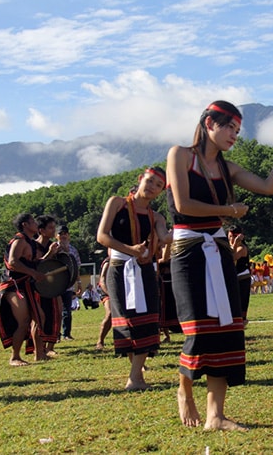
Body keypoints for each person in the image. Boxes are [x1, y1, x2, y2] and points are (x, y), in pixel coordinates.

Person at [166, 99, 273, 430]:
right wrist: (229, 211)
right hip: (187, 251)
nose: (234, 135)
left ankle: (216, 415)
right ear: (209, 123)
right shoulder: (181, 155)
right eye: (229, 127)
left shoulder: (230, 169)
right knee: (197, 328)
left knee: (228, 328)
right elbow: (182, 204)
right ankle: (184, 388)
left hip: (219, 250)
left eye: (238, 131)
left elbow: (269, 187)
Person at [96, 166, 171, 390]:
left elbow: (165, 237)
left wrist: (190, 229)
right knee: (125, 319)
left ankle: (135, 377)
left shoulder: (156, 216)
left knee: (147, 320)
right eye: (149, 181)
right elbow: (102, 236)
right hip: (119, 268)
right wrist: (130, 249)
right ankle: (136, 375)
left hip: (144, 269)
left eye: (158, 186)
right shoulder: (117, 203)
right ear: (140, 180)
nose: (152, 188)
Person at [0, 213, 54, 366]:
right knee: (23, 321)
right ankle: (14, 357)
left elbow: (34, 263)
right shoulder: (19, 240)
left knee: (39, 317)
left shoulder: (30, 243)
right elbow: (13, 262)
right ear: (25, 225)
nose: (36, 224)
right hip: (13, 285)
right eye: (33, 222)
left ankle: (39, 353)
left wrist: (50, 254)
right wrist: (33, 273)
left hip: (26, 285)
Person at [34, 214, 62, 357]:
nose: (53, 230)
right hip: (37, 287)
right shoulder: (33, 246)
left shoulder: (53, 245)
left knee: (57, 314)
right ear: (41, 230)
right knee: (40, 317)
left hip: (52, 287)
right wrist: (50, 253)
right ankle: (39, 350)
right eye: (50, 228)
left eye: (54, 227)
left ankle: (50, 347)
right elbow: (36, 266)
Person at [56, 225, 82, 340]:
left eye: (65, 233)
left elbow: (76, 268)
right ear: (56, 236)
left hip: (68, 285)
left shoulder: (73, 250)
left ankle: (66, 333)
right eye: (61, 233)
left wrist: (79, 283)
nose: (63, 236)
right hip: (55, 285)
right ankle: (55, 335)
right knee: (56, 311)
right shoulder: (53, 248)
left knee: (67, 310)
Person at [228, 225, 251, 325]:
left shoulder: (241, 248)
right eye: (228, 236)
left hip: (242, 278)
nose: (229, 238)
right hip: (232, 277)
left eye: (231, 236)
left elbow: (231, 258)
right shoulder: (228, 245)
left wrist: (235, 244)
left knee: (241, 302)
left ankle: (240, 321)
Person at [95, 256, 111, 351]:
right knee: (110, 313)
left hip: (119, 290)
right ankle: (100, 341)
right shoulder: (108, 261)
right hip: (106, 291)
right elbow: (102, 280)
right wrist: (110, 294)